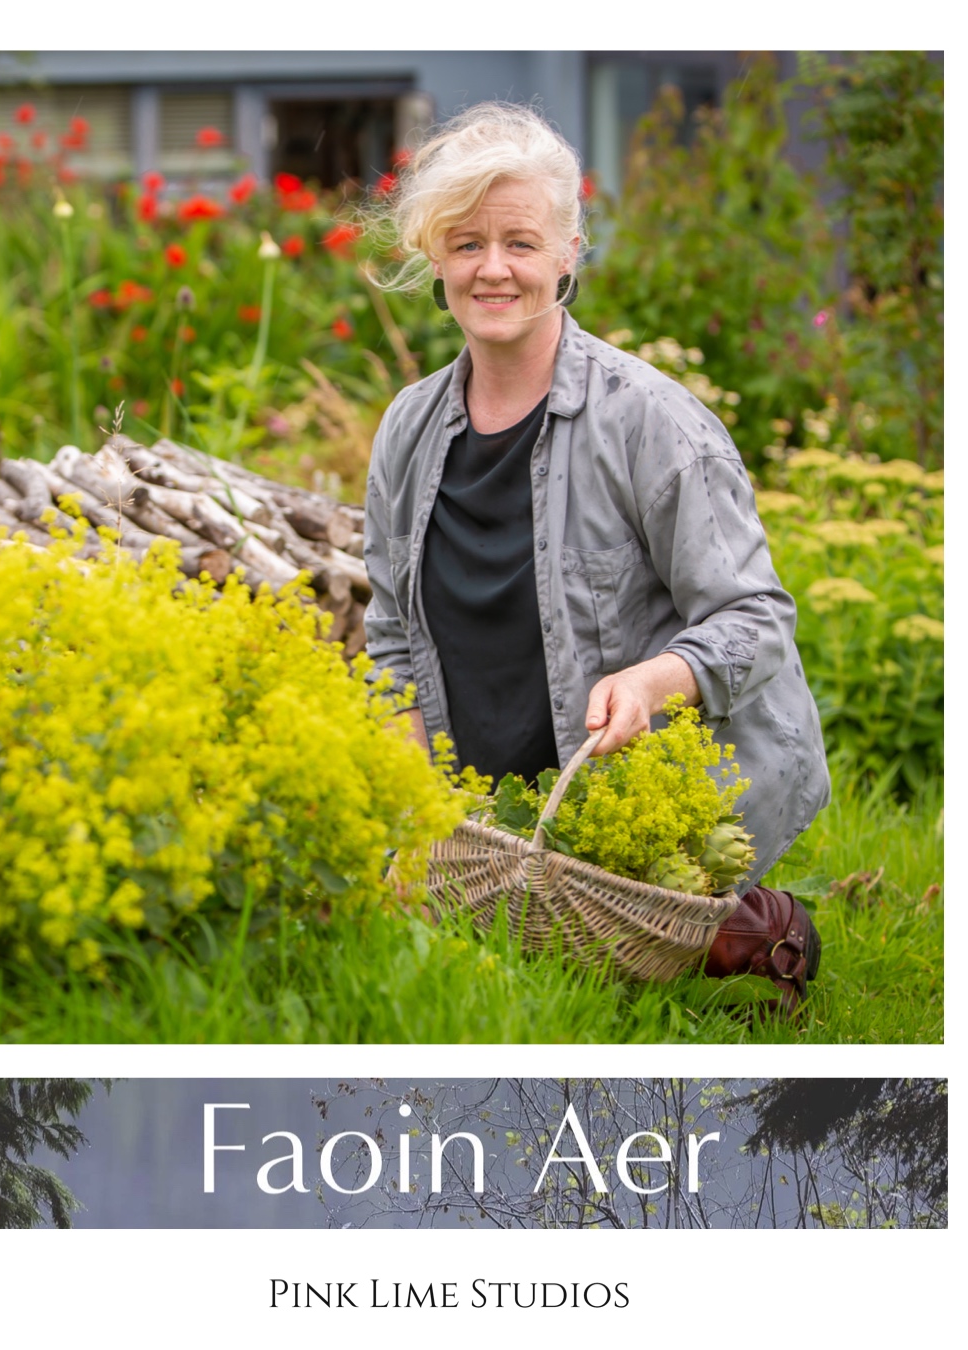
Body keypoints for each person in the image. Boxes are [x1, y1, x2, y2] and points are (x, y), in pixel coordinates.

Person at [362, 103, 830, 1012]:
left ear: (569, 252)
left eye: (521, 244)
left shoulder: (651, 422)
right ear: (433, 256)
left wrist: (659, 680)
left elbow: (758, 617)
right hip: (490, 823)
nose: (493, 268)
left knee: (585, 989)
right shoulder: (407, 430)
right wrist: (415, 820)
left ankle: (749, 926)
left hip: (639, 795)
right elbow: (388, 637)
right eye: (465, 244)